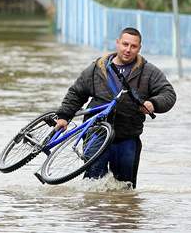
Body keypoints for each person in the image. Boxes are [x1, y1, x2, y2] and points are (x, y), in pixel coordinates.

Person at [54, 27, 176, 189]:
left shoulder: (149, 72)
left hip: (127, 136)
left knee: (125, 189)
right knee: (93, 187)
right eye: (125, 44)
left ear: (139, 48)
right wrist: (63, 116)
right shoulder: (98, 68)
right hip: (97, 133)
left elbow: (168, 94)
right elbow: (76, 93)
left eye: (133, 46)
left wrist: (153, 104)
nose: (128, 49)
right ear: (117, 43)